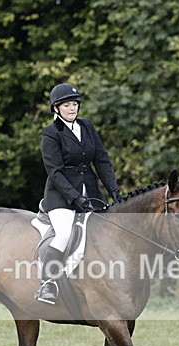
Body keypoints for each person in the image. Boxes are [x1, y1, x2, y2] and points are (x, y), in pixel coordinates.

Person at [35, 83, 122, 305]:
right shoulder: (51, 133)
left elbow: (101, 160)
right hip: (61, 197)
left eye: (74, 104)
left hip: (91, 193)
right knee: (64, 234)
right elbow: (54, 172)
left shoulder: (87, 127)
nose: (72, 108)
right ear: (56, 108)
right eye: (67, 105)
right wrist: (74, 197)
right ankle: (49, 283)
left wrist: (114, 190)